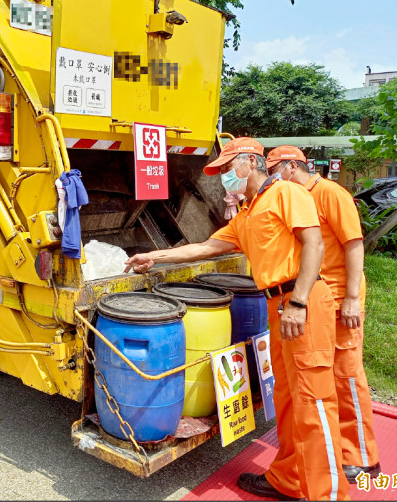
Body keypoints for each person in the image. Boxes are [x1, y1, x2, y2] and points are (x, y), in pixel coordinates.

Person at [125, 137, 349, 501]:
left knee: (314, 403)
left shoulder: (286, 194)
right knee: (290, 400)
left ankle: (330, 495)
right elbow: (205, 247)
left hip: (302, 304)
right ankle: (289, 480)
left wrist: (300, 302)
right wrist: (156, 256)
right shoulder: (248, 214)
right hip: (277, 307)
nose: (225, 177)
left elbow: (314, 244)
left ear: (250, 162)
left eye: (229, 168)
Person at [267, 145, 380, 482]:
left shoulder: (330, 193)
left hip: (341, 298)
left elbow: (354, 244)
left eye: (272, 169)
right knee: (323, 379)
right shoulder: (293, 198)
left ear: (290, 166)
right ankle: (331, 454)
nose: (271, 178)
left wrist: (351, 297)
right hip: (316, 299)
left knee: (346, 376)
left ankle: (362, 457)